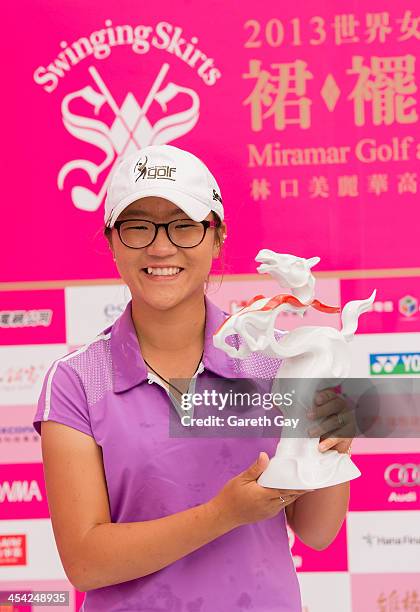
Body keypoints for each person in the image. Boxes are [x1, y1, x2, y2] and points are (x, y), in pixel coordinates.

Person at [33, 144, 354, 611]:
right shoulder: (77, 381)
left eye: (184, 226)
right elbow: (85, 563)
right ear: (112, 241)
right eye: (138, 227)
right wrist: (221, 516)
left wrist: (334, 447)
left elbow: (318, 532)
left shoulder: (274, 363)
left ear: (216, 237)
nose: (161, 247)